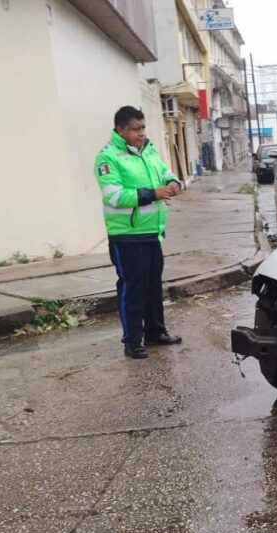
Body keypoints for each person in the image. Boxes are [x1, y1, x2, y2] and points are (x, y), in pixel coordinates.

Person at [95, 106, 183, 359]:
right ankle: (132, 340)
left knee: (153, 285)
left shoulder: (149, 150)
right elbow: (114, 196)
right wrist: (153, 193)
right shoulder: (108, 157)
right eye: (136, 129)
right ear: (120, 130)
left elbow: (166, 173)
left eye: (143, 127)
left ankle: (155, 332)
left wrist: (174, 183)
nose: (141, 133)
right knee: (133, 288)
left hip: (152, 232)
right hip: (126, 236)